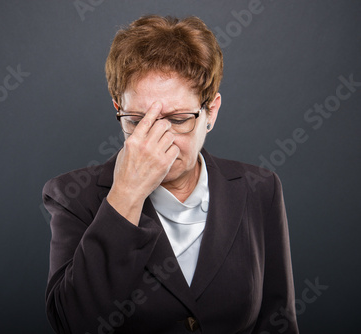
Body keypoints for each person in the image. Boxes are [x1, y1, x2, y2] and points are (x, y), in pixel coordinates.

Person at [43, 15, 299, 333]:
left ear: (211, 112)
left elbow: (277, 321)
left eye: (178, 119)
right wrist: (126, 194)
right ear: (117, 109)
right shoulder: (73, 195)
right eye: (138, 119)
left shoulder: (259, 188)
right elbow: (72, 324)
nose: (159, 138)